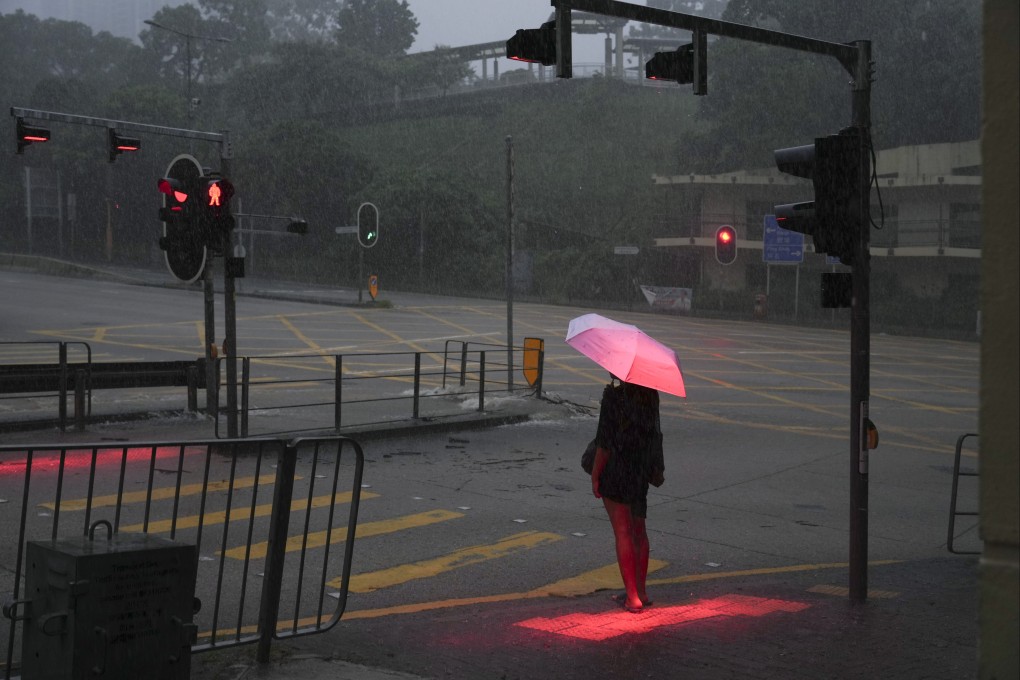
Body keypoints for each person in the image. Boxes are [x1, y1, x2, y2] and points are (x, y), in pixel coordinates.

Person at [591, 377, 663, 613]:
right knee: (638, 531)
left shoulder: (614, 396)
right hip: (639, 469)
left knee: (622, 532)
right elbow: (653, 434)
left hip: (616, 469)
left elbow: (605, 442)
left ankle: (632, 597)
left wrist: (595, 474)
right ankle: (641, 591)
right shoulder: (650, 395)